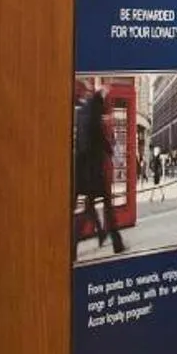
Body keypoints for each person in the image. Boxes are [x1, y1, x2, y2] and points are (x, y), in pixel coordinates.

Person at [72, 86, 128, 256]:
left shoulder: (82, 111)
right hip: (94, 169)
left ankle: (74, 245)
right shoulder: (94, 109)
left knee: (90, 207)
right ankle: (116, 243)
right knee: (107, 208)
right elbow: (99, 137)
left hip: (84, 170)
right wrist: (112, 153)